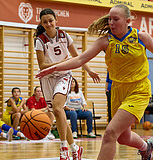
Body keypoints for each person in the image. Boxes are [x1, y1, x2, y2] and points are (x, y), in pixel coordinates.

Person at [36, 4, 153, 160]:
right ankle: (145, 147)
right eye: (109, 19)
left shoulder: (141, 37)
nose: (111, 23)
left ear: (128, 21)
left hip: (138, 90)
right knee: (122, 137)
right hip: (118, 91)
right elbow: (80, 59)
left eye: (116, 19)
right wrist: (54, 68)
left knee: (109, 133)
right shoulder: (106, 41)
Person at [34, 8, 100, 160]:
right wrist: (63, 62)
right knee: (59, 114)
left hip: (63, 76)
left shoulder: (64, 36)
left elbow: (78, 57)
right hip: (47, 78)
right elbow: (43, 65)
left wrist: (89, 71)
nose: (48, 24)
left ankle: (63, 148)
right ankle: (75, 148)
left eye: (51, 20)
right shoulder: (39, 41)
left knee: (57, 108)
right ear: (41, 23)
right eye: (45, 22)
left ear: (56, 20)